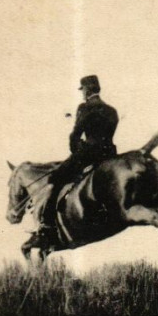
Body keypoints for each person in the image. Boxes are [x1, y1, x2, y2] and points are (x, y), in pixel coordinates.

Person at [35, 75, 119, 239]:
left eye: (83, 90)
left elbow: (75, 134)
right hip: (109, 154)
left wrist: (76, 150)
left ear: (87, 90)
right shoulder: (112, 110)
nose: (82, 94)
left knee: (55, 178)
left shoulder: (84, 107)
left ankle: (47, 223)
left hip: (88, 153)